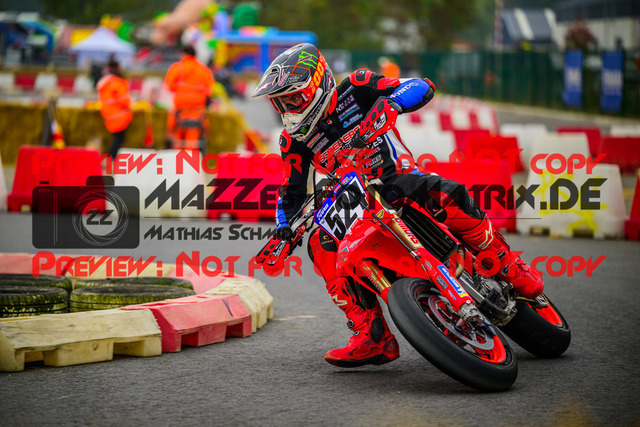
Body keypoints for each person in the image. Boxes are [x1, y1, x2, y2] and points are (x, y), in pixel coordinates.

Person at [253, 43, 544, 368]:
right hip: (354, 204)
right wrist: (283, 230)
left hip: (396, 179)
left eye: (293, 98)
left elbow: (421, 86)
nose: (287, 108)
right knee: (320, 246)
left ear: (317, 84)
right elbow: (290, 192)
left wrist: (392, 103)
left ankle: (504, 262)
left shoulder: (357, 87)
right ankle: (370, 334)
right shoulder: (293, 140)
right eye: (280, 102)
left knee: (449, 193)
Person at [163, 45, 215, 149]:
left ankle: (177, 157)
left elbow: (169, 85)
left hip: (180, 109)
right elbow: (209, 91)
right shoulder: (204, 69)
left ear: (183, 54)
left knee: (177, 138)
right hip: (197, 110)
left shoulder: (178, 67)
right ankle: (191, 157)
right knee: (193, 139)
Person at [97, 57, 132, 159]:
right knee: (119, 139)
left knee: (117, 138)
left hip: (109, 115)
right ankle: (110, 159)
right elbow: (124, 100)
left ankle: (110, 158)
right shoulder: (118, 83)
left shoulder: (105, 83)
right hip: (118, 115)